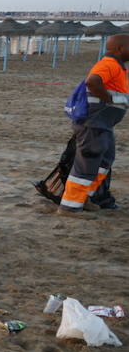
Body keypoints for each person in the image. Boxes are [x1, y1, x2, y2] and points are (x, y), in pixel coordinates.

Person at [58, 33, 129, 216]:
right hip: (94, 124)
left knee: (105, 160)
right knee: (87, 163)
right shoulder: (109, 64)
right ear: (120, 49)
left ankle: (84, 198)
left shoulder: (119, 68)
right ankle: (69, 207)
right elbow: (92, 82)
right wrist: (112, 99)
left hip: (103, 125)